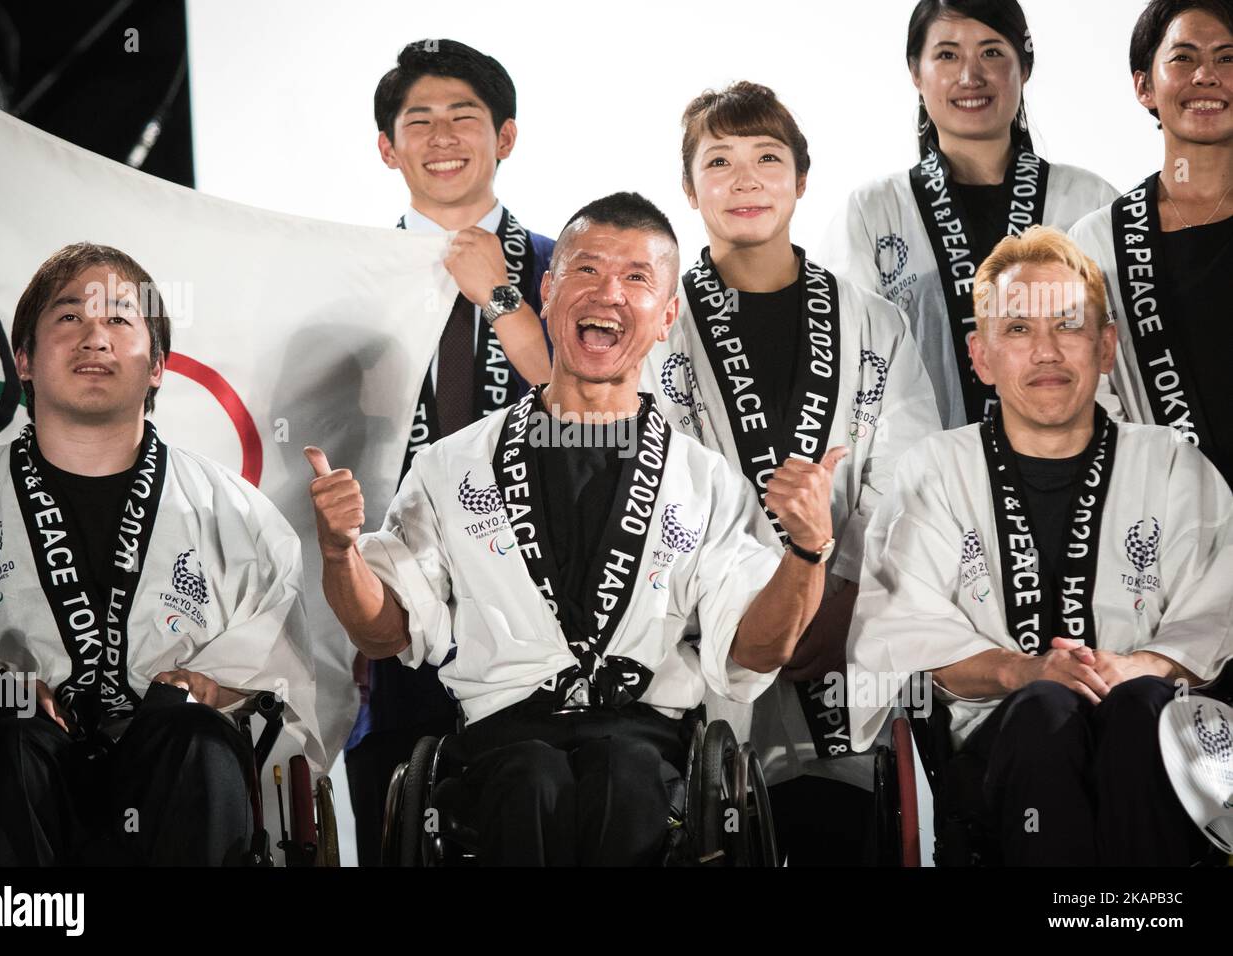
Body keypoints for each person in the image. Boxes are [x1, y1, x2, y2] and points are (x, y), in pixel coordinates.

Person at [307, 193, 840, 866]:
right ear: (549, 289)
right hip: (500, 745)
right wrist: (339, 552)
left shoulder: (703, 482)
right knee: (530, 778)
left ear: (667, 314)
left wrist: (806, 551)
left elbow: (759, 650)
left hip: (652, 749)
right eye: (586, 270)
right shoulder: (452, 466)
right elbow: (383, 631)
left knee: (623, 777)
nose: (608, 292)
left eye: (637, 278)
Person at [846, 226, 1233, 866]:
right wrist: (1025, 671)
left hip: (1146, 728)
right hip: (997, 748)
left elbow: (1217, 616)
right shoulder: (934, 470)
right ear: (981, 355)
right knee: (1046, 709)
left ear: (1107, 345)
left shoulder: (1171, 465)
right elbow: (901, 633)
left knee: (1140, 706)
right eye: (1018, 330)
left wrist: (1140, 667)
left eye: (1069, 327)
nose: (1047, 352)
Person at [0, 242, 321, 865]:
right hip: (28, 769)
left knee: (194, 737)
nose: (95, 338)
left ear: (159, 365)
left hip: (172, 768)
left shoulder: (236, 515)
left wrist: (212, 686)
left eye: (119, 318)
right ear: (25, 361)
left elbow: (281, 665)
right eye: (68, 318)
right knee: (10, 746)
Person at [644, 81, 940, 865]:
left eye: (767, 158)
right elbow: (642, 484)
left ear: (802, 179)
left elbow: (907, 480)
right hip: (702, 634)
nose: (745, 181)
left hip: (839, 633)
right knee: (711, 824)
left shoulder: (873, 319)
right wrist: (745, 604)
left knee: (831, 828)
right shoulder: (655, 322)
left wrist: (838, 598)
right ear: (688, 187)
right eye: (720, 161)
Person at [342, 38, 557, 866]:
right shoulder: (347, 279)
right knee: (394, 814)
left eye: (464, 116)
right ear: (387, 148)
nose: (442, 136)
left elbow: (598, 407)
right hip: (396, 605)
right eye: (418, 120)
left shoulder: (568, 265)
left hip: (542, 605)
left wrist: (502, 297)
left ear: (504, 137)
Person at [823, 0, 1117, 429]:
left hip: (1072, 474)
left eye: (992, 52)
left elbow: (1122, 359)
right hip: (922, 480)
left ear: (1025, 68)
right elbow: (851, 369)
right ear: (915, 72)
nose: (969, 76)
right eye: (946, 55)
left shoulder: (1088, 203)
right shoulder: (872, 213)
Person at [1069, 0, 1233, 487]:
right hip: (1169, 525)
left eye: (1228, 57)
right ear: (1144, 86)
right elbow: (1093, 399)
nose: (1207, 75)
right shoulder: (1100, 240)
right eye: (1183, 57)